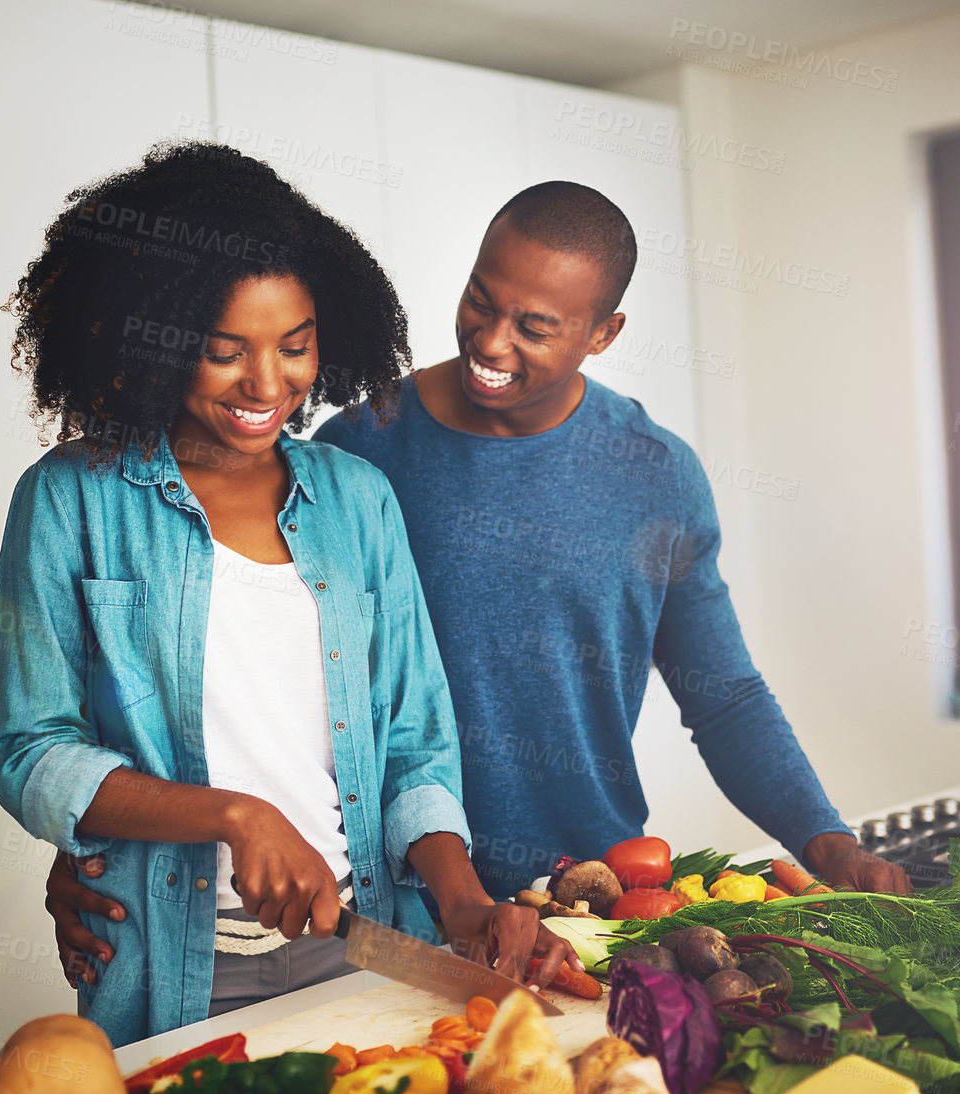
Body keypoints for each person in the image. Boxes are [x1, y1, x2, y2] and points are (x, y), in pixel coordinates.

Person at [45, 179, 908, 988]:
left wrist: (827, 844)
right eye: (479, 302)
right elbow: (239, 678)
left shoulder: (655, 477)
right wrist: (111, 833)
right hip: (398, 908)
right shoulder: (360, 449)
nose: (491, 343)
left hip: (584, 900)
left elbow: (722, 697)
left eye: (534, 327)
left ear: (601, 333)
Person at [0, 143, 569, 1046]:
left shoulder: (355, 500)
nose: (268, 385)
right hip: (172, 967)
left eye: (294, 347)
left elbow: (414, 739)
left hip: (370, 942)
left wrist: (460, 903)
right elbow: (29, 751)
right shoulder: (71, 500)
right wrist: (233, 816)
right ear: (157, 341)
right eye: (225, 353)